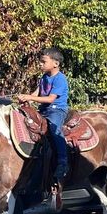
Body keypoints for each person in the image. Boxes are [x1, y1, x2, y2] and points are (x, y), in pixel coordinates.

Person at [17, 48, 70, 186]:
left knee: (54, 130)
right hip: (43, 110)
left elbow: (51, 99)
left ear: (55, 63)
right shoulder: (44, 77)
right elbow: (38, 93)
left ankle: (63, 162)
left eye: (43, 62)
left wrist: (30, 97)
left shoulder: (60, 79)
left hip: (56, 110)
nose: (40, 64)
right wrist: (27, 99)